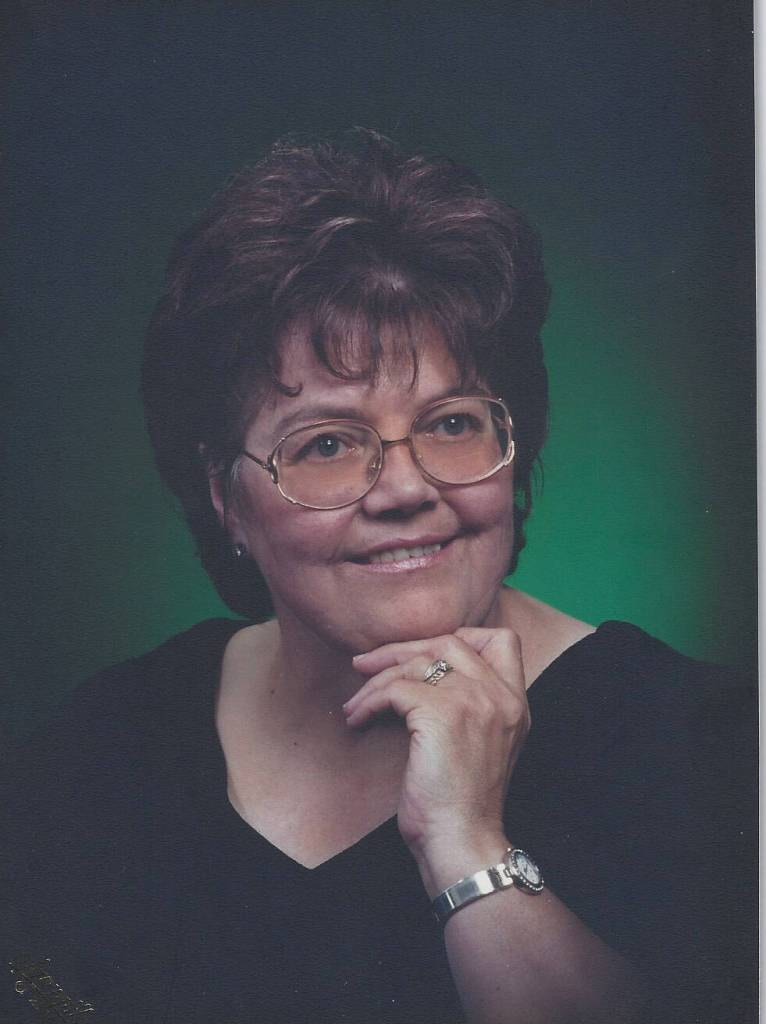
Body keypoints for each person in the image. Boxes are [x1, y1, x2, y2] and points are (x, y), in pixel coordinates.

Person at [2, 132, 756, 1024]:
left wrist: (464, 843)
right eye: (325, 443)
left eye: (451, 423)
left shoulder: (700, 747)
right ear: (225, 498)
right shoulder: (110, 742)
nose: (405, 489)